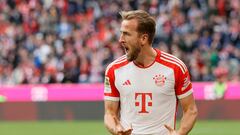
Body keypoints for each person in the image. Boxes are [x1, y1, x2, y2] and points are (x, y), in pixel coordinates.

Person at [104, 10, 198, 135]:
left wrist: (179, 133)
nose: (121, 39)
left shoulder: (175, 67)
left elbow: (190, 110)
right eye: (121, 33)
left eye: (126, 34)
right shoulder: (114, 70)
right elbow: (109, 113)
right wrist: (116, 129)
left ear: (143, 38)